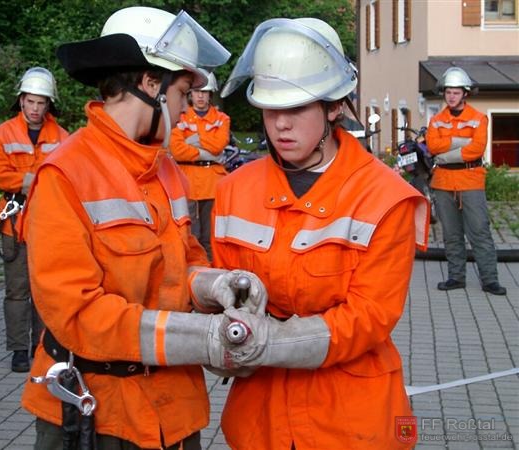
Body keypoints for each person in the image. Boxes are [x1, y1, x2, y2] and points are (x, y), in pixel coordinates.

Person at [20, 7, 266, 449]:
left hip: (172, 406)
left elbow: (184, 260)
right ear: (151, 84)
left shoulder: (164, 168)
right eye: (182, 92)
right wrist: (200, 338)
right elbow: (77, 314)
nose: (185, 106)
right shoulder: (66, 174)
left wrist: (215, 285)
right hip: (98, 414)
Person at [215, 18, 430, 449]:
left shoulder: (385, 197)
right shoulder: (234, 189)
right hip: (262, 417)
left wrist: (268, 341)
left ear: (334, 107)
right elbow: (225, 298)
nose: (280, 125)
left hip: (351, 419)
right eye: (271, 109)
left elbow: (369, 317)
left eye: (296, 108)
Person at [0, 67, 69, 373]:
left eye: (41, 103)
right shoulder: (3, 133)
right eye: (30, 102)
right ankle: (19, 348)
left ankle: (42, 345)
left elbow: (67, 175)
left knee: (45, 289)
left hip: (47, 222)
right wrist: (30, 180)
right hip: (14, 219)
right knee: (17, 290)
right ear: (21, 101)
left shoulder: (62, 137)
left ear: (49, 105)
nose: (35, 108)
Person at [426, 67, 506, 296]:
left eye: (456, 92)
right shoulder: (436, 119)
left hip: (470, 181)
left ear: (465, 94)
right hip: (443, 183)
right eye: (448, 92)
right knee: (451, 234)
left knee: (480, 232)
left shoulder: (478, 118)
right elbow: (433, 146)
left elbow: (477, 149)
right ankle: (456, 277)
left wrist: (446, 149)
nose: (451, 96)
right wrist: (461, 141)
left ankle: (490, 280)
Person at [169, 72, 231, 258]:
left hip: (213, 184)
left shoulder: (222, 118)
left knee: (211, 237)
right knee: (190, 235)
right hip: (188, 183)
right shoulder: (180, 117)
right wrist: (209, 151)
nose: (201, 96)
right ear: (190, 94)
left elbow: (220, 145)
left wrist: (194, 139)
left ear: (210, 94)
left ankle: (213, 276)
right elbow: (177, 150)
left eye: (205, 92)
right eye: (197, 92)